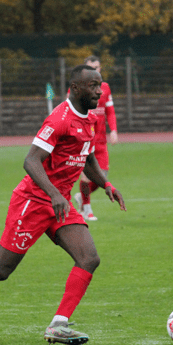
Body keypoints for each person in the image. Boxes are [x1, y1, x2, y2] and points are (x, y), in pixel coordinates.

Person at [0, 65, 126, 345]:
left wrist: (106, 185)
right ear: (75, 88)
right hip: (32, 201)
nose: (99, 90)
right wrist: (54, 193)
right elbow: (31, 160)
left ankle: (59, 325)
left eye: (100, 85)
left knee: (89, 258)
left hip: (60, 202)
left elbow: (88, 158)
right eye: (93, 85)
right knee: (1, 270)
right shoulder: (59, 119)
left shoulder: (90, 119)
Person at [72, 55, 118, 221]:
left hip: (101, 141)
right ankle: (87, 209)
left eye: (97, 68)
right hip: (84, 140)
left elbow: (110, 111)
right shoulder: (77, 89)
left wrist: (113, 130)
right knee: (86, 175)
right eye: (91, 68)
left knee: (102, 176)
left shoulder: (105, 88)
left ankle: (81, 198)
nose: (96, 71)